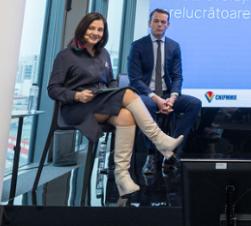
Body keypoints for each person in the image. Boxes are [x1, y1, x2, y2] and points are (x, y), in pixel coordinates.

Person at [47, 12, 183, 197]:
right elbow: (53, 89)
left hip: (100, 103)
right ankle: (159, 139)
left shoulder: (103, 53)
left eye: (100, 30)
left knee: (126, 116)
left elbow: (111, 82)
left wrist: (113, 94)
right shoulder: (66, 55)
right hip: (76, 109)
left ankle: (122, 175)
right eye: (92, 28)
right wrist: (76, 95)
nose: (96, 33)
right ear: (82, 29)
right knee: (127, 92)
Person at [128, 8, 202, 173]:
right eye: (156, 21)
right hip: (145, 95)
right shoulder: (138, 46)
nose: (159, 25)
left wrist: (172, 98)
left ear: (168, 25)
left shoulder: (174, 46)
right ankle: (151, 154)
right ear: (149, 23)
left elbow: (177, 76)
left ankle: (171, 150)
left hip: (167, 95)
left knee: (194, 104)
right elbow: (135, 79)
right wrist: (156, 98)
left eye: (163, 22)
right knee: (148, 104)